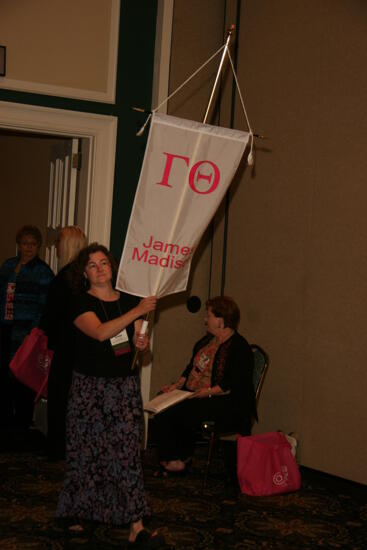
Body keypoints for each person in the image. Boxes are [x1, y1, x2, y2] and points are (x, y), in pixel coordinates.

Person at [56, 243, 163, 547]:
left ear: (112, 266)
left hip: (124, 389)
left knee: (128, 455)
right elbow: (102, 333)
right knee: (87, 455)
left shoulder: (128, 301)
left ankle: (136, 526)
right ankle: (78, 513)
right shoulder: (79, 303)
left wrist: (143, 347)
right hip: (90, 390)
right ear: (84, 273)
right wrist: (137, 312)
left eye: (104, 262)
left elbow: (141, 353)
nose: (100, 268)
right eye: (93, 265)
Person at [152, 295, 257, 475]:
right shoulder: (207, 341)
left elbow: (232, 384)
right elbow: (190, 368)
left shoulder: (239, 348)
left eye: (208, 315)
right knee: (162, 400)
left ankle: (176, 459)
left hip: (226, 402)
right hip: (196, 393)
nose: (205, 319)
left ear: (221, 321)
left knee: (180, 410)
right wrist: (176, 386)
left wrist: (206, 392)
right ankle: (176, 457)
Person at [40, 226, 87, 460]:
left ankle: (57, 448)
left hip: (66, 347)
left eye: (59, 241)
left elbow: (51, 316)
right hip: (85, 347)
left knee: (60, 398)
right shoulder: (86, 276)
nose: (56, 246)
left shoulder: (64, 278)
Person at [0, 225, 54, 429]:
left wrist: (33, 331)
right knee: (3, 377)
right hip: (5, 328)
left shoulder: (43, 272)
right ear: (18, 245)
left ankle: (22, 423)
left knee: (22, 377)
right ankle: (4, 421)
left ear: (38, 246)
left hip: (26, 333)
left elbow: (44, 307)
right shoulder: (8, 266)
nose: (28, 248)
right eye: (25, 243)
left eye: (33, 244)